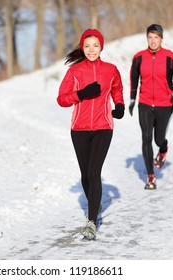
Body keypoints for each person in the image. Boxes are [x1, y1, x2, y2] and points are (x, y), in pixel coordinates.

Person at [57, 29, 125, 240]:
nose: (91, 49)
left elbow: (117, 89)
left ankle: (92, 221)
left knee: (94, 173)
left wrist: (120, 105)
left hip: (104, 126)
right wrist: (82, 93)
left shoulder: (111, 69)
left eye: (95, 45)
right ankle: (95, 204)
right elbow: (62, 99)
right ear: (82, 48)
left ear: (101, 46)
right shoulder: (75, 72)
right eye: (87, 46)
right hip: (79, 129)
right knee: (86, 175)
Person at [129, 24, 173, 190]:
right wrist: (133, 99)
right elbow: (134, 78)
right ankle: (151, 176)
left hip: (165, 104)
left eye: (156, 37)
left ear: (161, 39)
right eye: (150, 37)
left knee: (158, 139)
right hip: (145, 104)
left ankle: (163, 148)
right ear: (147, 38)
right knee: (146, 138)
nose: (153, 41)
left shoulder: (170, 57)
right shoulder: (139, 58)